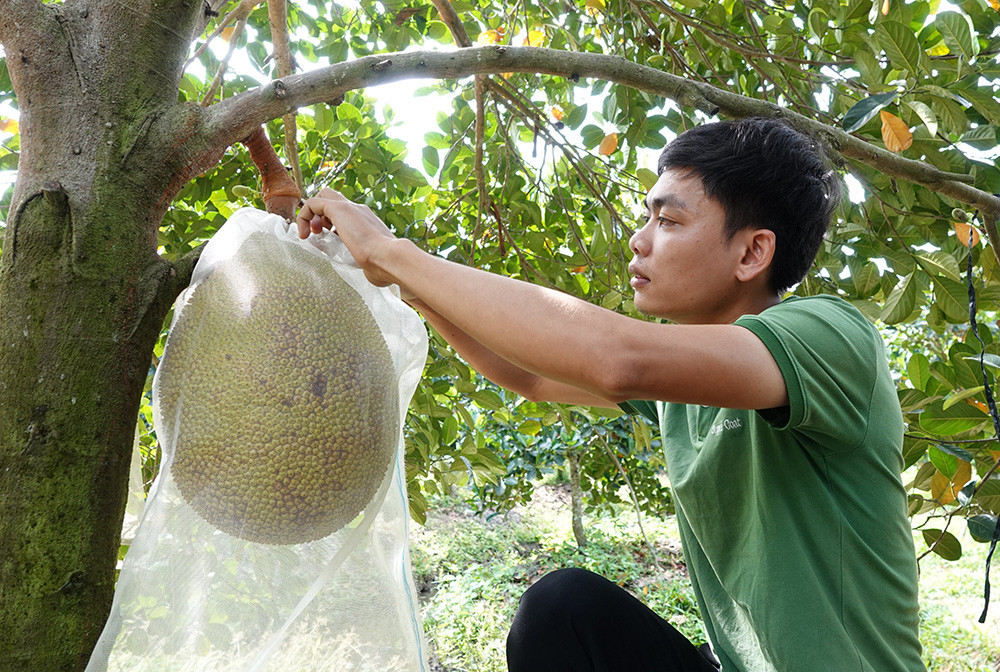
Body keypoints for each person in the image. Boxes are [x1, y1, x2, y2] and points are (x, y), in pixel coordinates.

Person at [296, 117, 925, 671]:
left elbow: (617, 359)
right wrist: (408, 284)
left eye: (669, 220)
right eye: (647, 215)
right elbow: (532, 376)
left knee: (560, 605)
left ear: (753, 251)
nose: (639, 239)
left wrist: (393, 252)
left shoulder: (832, 337)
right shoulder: (685, 383)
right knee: (562, 614)